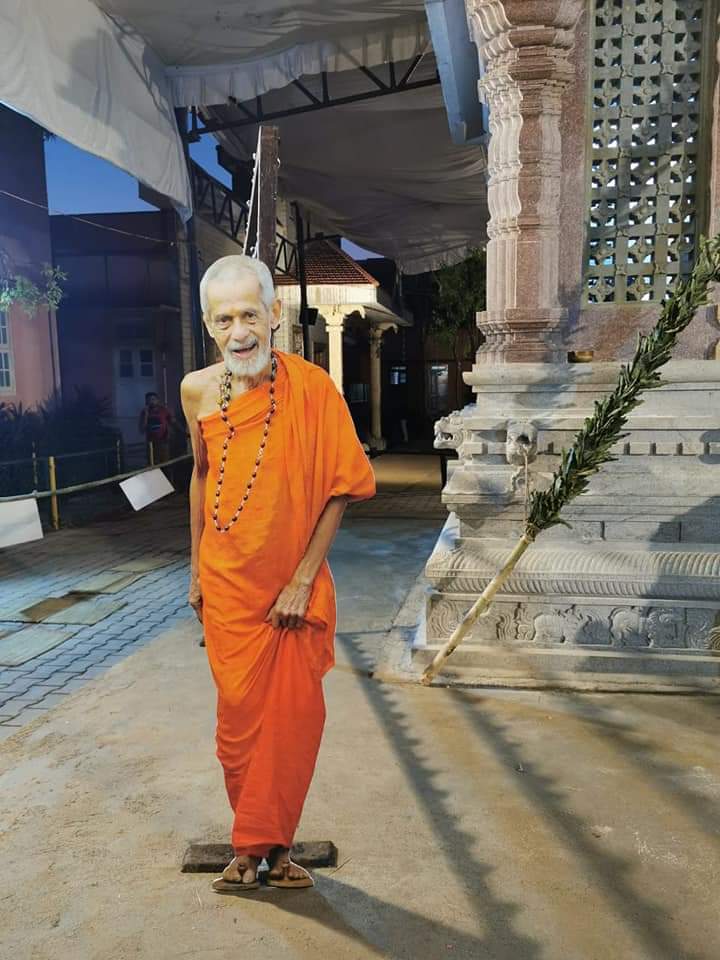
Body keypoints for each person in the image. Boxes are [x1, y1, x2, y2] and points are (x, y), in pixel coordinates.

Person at [180, 254, 375, 894]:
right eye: (224, 320)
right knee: (238, 730)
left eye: (249, 315)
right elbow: (201, 475)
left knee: (292, 725)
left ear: (274, 314)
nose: (239, 332)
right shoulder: (196, 390)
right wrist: (195, 569)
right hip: (226, 586)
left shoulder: (313, 388)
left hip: (290, 586)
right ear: (208, 325)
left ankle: (270, 849)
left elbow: (340, 489)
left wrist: (302, 580)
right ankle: (253, 844)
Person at [139, 392, 174, 464]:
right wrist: (146, 415)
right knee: (153, 464)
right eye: (149, 400)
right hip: (151, 444)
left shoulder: (163, 410)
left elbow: (173, 422)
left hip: (163, 442)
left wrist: (183, 432)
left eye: (153, 399)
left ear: (157, 400)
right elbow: (142, 429)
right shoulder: (144, 412)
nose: (151, 402)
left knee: (165, 464)